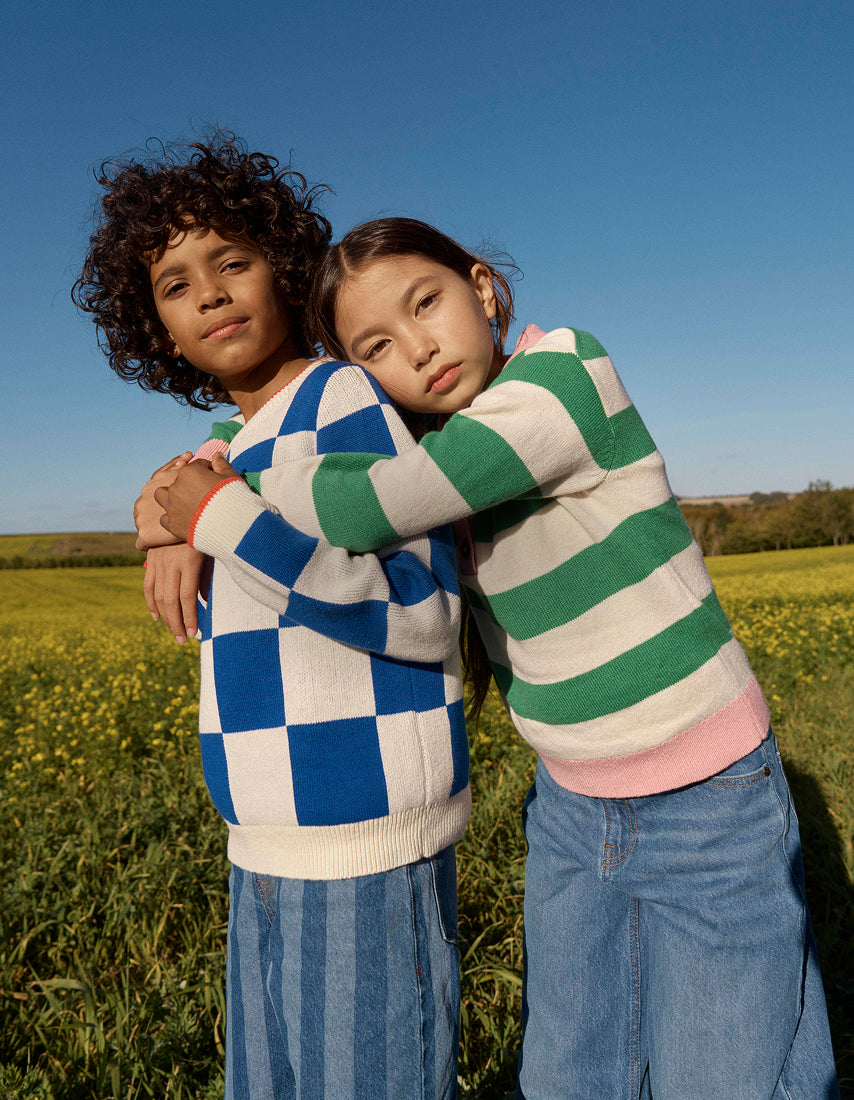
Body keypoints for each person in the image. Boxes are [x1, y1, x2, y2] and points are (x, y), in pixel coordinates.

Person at [139, 215, 839, 1099]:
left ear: (481, 285)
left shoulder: (561, 380)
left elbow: (374, 502)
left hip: (709, 800)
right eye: (378, 346)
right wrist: (194, 471)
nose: (419, 349)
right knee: (569, 1073)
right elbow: (279, 432)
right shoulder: (440, 435)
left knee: (730, 1071)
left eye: (426, 302)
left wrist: (203, 503)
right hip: (572, 811)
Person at [74, 149, 469, 1100]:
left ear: (286, 273)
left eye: (232, 262)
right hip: (263, 845)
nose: (210, 295)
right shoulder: (239, 444)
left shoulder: (349, 399)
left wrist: (208, 518)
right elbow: (232, 476)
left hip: (364, 846)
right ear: (159, 332)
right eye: (176, 285)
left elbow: (422, 612)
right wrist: (172, 511)